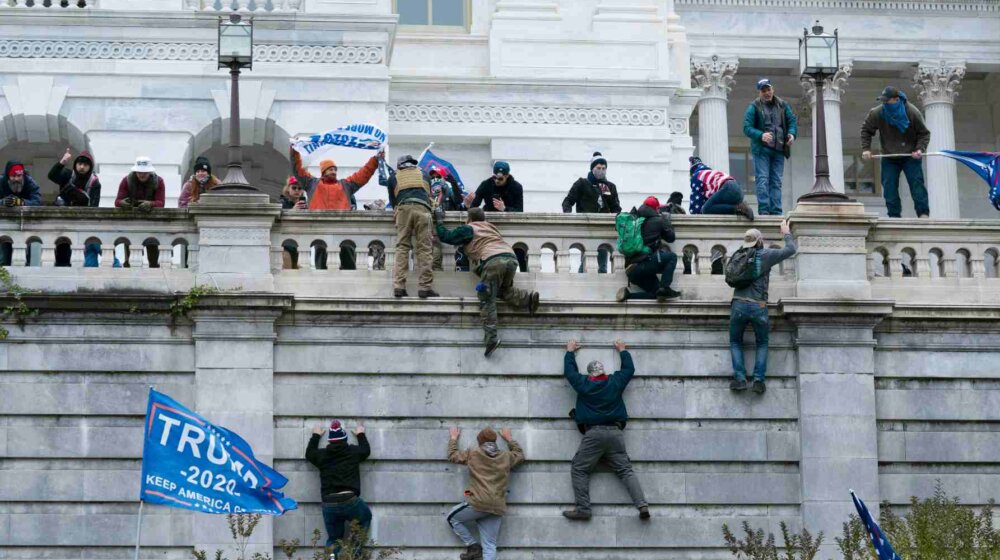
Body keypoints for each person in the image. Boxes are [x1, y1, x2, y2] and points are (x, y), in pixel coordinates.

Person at [561, 338, 649, 521]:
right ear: (603, 372)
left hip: (594, 434)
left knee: (579, 469)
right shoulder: (614, 382)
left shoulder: (584, 384)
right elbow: (629, 370)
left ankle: (584, 509)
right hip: (616, 434)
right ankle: (642, 505)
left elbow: (570, 372)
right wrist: (622, 350)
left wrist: (570, 352)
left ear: (590, 374)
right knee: (626, 471)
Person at [435, 207, 540, 357]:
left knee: (487, 298)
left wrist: (439, 221)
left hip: (493, 262)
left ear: (469, 219)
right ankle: (528, 299)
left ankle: (491, 338)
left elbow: (447, 237)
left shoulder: (469, 228)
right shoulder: (491, 228)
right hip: (511, 259)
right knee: (502, 290)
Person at [729, 221, 797, 395]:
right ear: (760, 241)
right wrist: (786, 232)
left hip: (738, 304)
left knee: (736, 342)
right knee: (762, 343)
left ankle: (740, 379)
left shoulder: (739, 254)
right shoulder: (766, 254)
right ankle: (758, 381)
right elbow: (790, 250)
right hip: (758, 305)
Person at [290, 145, 382, 270]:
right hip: (319, 231)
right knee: (321, 264)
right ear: (323, 171)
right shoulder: (311, 183)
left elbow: (363, 174)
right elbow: (297, 169)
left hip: (344, 230)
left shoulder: (346, 185)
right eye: (330, 169)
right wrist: (294, 150)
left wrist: (375, 160)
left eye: (335, 169)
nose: (333, 171)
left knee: (349, 258)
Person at [446, 426, 525, 560]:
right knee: (490, 545)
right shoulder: (506, 456)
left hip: (478, 503)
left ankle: (473, 546)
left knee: (452, 518)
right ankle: (476, 548)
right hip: (497, 507)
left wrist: (453, 439)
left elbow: (453, 456)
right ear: (495, 442)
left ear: (479, 442)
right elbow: (520, 455)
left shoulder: (473, 453)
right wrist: (509, 439)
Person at [861, 86, 931, 218]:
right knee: (889, 186)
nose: (885, 103)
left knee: (916, 184)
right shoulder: (878, 112)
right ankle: (894, 216)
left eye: (887, 101)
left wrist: (920, 149)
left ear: (896, 99)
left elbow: (924, 134)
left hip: (910, 155)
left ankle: (923, 213)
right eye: (883, 101)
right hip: (889, 155)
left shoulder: (912, 112)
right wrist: (866, 149)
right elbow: (866, 130)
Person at [305, 419, 372, 555]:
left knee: (334, 539)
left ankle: (332, 557)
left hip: (329, 503)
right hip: (350, 500)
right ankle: (355, 553)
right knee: (365, 517)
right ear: (345, 439)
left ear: (330, 441)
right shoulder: (352, 452)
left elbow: (309, 454)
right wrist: (360, 434)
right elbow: (365, 450)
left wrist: (316, 435)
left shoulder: (322, 455)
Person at [382, 153, 438, 298]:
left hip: (404, 209)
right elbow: (429, 195)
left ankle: (399, 286)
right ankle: (425, 288)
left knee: (402, 247)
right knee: (424, 248)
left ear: (400, 165)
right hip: (423, 209)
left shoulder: (393, 177)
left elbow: (394, 202)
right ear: (413, 163)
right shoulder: (424, 174)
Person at [743, 78, 797, 216]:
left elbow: (792, 122)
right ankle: (764, 211)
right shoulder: (754, 106)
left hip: (779, 149)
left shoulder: (783, 105)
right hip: (762, 150)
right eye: (763, 90)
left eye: (768, 89)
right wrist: (761, 135)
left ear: (773, 89)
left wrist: (791, 134)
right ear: (759, 92)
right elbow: (747, 128)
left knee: (776, 181)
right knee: (762, 180)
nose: (767, 93)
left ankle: (776, 211)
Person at [563, 152, 621, 273]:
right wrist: (568, 216)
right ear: (592, 168)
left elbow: (616, 207)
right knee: (587, 259)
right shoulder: (582, 183)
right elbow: (568, 201)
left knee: (603, 262)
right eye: (598, 168)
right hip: (586, 226)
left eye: (604, 168)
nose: (601, 171)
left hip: (604, 228)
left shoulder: (609, 186)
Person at [616, 196, 681, 302]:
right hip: (644, 264)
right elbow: (671, 238)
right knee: (672, 257)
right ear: (656, 209)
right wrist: (667, 221)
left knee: (655, 293)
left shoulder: (634, 220)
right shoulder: (659, 220)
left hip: (631, 270)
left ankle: (627, 295)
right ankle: (665, 287)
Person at [464, 161, 525, 271]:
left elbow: (519, 211)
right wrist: (468, 205)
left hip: (509, 225)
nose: (496, 181)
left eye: (500, 179)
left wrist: (504, 209)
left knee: (519, 250)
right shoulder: (486, 184)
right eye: (495, 177)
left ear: (507, 176)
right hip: (488, 223)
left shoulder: (516, 187)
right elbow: (475, 206)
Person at [49, 149, 103, 266]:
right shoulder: (67, 175)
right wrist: (62, 162)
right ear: (75, 165)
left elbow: (94, 207)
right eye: (79, 164)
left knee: (88, 250)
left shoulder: (94, 183)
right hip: (64, 221)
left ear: (90, 167)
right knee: (62, 251)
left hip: (84, 222)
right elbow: (52, 176)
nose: (82, 167)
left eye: (85, 164)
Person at [688, 156, 755, 219]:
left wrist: (695, 215)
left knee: (706, 209)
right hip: (738, 191)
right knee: (713, 207)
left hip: (728, 188)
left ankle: (739, 208)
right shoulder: (710, 173)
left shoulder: (697, 175)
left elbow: (696, 201)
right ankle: (741, 209)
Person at [278, 176, 308, 269]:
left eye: (299, 188)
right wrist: (293, 210)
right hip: (285, 244)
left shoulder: (304, 204)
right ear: (288, 189)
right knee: (288, 273)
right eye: (294, 187)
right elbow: (279, 220)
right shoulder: (282, 203)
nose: (297, 190)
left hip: (300, 245)